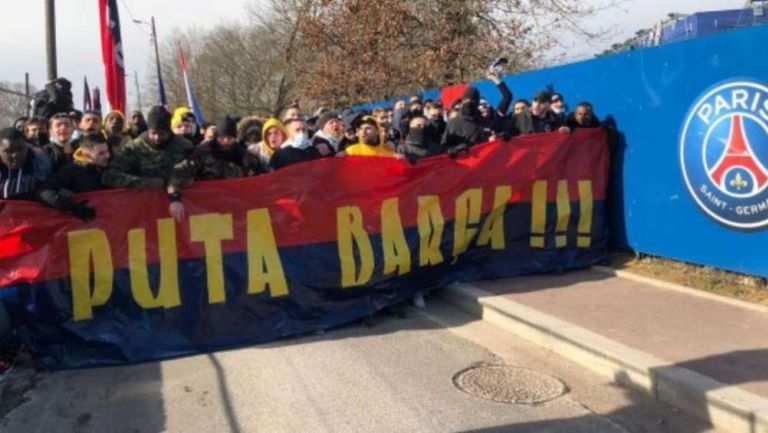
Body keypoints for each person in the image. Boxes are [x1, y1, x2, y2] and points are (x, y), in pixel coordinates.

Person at [103, 105, 195, 221]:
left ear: (168, 131)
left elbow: (185, 170)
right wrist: (144, 183)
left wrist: (174, 194)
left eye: (161, 134)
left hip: (180, 208)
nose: (157, 138)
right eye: (153, 133)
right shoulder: (135, 147)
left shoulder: (184, 146)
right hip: (143, 211)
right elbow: (109, 175)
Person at [38, 133, 111, 221]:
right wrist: (72, 207)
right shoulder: (71, 171)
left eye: (107, 151)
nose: (107, 156)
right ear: (86, 155)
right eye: (101, 153)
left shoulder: (111, 168)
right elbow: (44, 192)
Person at [0, 127, 51, 200]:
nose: (15, 155)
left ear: (27, 147)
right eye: (9, 151)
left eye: (20, 149)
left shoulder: (40, 164)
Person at [189, 116, 246, 180]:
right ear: (217, 137)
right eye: (222, 137)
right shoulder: (204, 150)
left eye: (230, 138)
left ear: (235, 138)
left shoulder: (241, 152)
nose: (226, 141)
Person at [441, 86, 487, 157]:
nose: (469, 103)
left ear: (477, 103)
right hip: (463, 162)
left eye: (473, 101)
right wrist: (456, 148)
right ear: (463, 102)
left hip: (483, 160)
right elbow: (444, 146)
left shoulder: (483, 120)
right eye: (466, 101)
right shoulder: (453, 123)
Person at [502, 90, 569, 137]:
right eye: (535, 101)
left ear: (549, 105)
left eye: (542, 103)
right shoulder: (519, 118)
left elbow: (566, 129)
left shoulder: (554, 118)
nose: (536, 105)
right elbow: (506, 135)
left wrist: (566, 129)